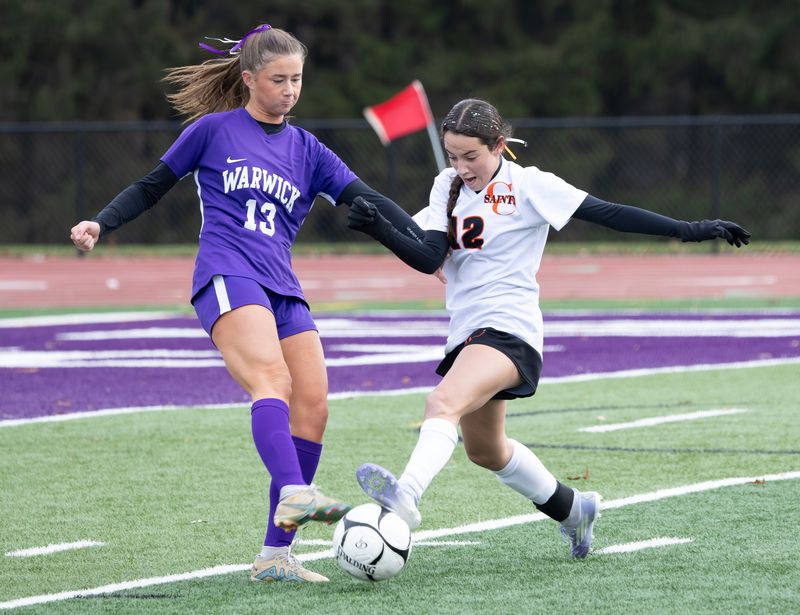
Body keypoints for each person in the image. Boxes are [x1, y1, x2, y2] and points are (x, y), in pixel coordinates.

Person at [69, 23, 425, 583]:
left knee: (314, 404)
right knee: (272, 382)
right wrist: (101, 221)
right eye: (278, 79)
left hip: (281, 284)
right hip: (226, 273)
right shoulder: (214, 131)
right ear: (249, 78)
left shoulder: (307, 148)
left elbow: (369, 198)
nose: (289, 90)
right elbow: (151, 185)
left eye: (297, 80)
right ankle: (296, 494)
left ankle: (275, 554)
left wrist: (427, 242)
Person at [346, 98, 751, 558]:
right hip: (467, 333)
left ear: (499, 145)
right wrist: (378, 227)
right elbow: (427, 255)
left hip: (509, 330)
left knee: (442, 403)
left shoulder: (529, 185)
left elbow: (610, 213)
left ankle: (407, 499)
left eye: (471, 156)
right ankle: (575, 509)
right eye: (453, 155)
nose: (461, 167)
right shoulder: (448, 185)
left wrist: (693, 228)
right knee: (486, 450)